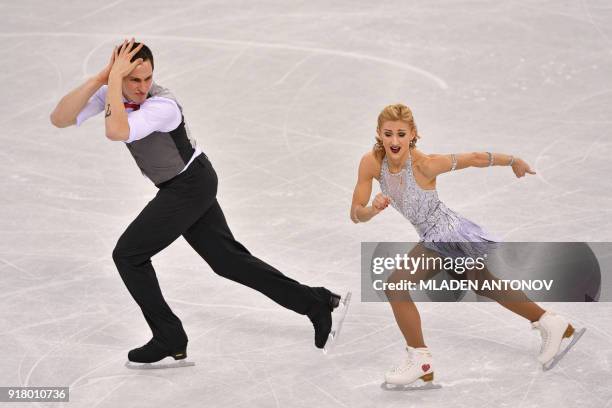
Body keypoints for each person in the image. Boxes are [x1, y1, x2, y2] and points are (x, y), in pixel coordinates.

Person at [50, 38, 349, 367]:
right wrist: (101, 79)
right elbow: (60, 118)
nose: (141, 86)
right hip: (185, 185)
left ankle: (169, 336)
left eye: (147, 77)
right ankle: (315, 301)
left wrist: (113, 86)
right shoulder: (114, 92)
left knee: (129, 254)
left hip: (190, 184)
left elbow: (116, 131)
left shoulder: (162, 106)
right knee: (228, 261)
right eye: (133, 79)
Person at [350, 103, 585, 389]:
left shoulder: (425, 164)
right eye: (388, 134)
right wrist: (373, 209)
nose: (395, 141)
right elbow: (356, 214)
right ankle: (550, 321)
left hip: (446, 234)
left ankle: (421, 361)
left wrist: (513, 160)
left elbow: (473, 158)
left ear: (413, 134)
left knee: (396, 285)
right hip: (436, 235)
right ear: (379, 133)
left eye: (401, 134)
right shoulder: (371, 163)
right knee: (485, 284)